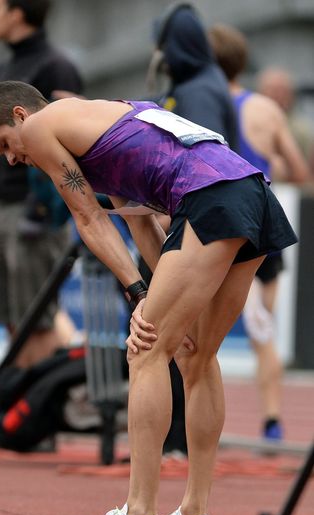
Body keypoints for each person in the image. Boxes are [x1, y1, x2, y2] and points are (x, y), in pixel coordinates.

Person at [0, 80, 297, 515]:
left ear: (22, 116)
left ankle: (139, 511)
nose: (10, 158)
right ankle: (192, 514)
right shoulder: (107, 119)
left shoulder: (45, 125)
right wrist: (152, 292)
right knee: (195, 355)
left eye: (4, 144)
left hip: (210, 196)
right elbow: (145, 224)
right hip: (251, 192)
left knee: (145, 350)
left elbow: (89, 218)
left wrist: (138, 295)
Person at [0, 0, 82, 371]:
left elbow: (71, 135)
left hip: (33, 212)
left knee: (38, 321)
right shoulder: (4, 67)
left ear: (17, 13)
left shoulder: (57, 66)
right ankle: (21, 410)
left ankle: (38, 417)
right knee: (12, 318)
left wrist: (43, 207)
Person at [209, 23, 311, 441]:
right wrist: (271, 169)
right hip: (266, 224)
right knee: (261, 328)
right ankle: (271, 418)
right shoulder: (266, 111)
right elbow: (300, 172)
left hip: (227, 229)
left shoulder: (199, 104)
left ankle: (194, 433)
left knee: (211, 336)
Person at [146, 2, 240, 457]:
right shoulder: (196, 83)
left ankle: (173, 442)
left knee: (175, 347)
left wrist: (172, 219)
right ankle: (178, 448)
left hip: (204, 219)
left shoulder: (198, 90)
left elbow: (206, 159)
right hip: (210, 216)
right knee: (190, 350)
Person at [257, 66, 314, 174]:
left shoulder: (302, 130)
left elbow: (307, 174)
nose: (278, 95)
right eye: (272, 90)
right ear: (261, 92)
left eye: (283, 90)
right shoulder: (247, 123)